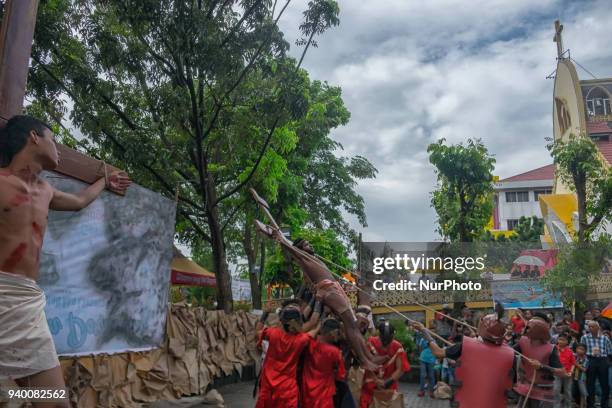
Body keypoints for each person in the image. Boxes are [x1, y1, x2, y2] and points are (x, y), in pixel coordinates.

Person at [0, 116, 131, 405]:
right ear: (34, 137)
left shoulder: (45, 191)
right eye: (53, 139)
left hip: (27, 300)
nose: (57, 148)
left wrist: (105, 180)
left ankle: (9, 393)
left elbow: (80, 201)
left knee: (55, 400)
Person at [412, 303, 517, 407]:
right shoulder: (509, 354)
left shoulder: (466, 346)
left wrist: (424, 331)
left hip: (467, 402)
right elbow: (512, 383)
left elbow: (438, 353)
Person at [255, 300, 321, 408]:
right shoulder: (301, 339)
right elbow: (313, 327)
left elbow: (257, 332)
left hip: (268, 389)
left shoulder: (273, 333)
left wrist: (265, 313)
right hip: (287, 392)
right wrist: (320, 309)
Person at [514, 316, 565, 408]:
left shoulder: (550, 349)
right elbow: (509, 352)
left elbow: (562, 372)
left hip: (543, 392)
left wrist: (541, 366)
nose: (524, 329)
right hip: (527, 389)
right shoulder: (523, 342)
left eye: (528, 328)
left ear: (537, 331)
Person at [360, 321, 410, 408]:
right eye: (384, 340)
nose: (386, 344)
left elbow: (400, 368)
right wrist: (376, 380)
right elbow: (365, 364)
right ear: (379, 335)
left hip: (389, 387)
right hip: (370, 387)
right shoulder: (370, 343)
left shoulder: (397, 347)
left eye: (388, 341)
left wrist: (387, 382)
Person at [301, 318, 347, 408]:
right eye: (338, 333)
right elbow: (341, 376)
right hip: (324, 395)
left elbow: (303, 338)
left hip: (306, 392)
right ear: (332, 332)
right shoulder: (335, 352)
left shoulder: (309, 344)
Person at [580, 320, 611, 408]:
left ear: (598, 327)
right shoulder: (584, 337)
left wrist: (607, 362)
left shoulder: (605, 338)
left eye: (592, 326)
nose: (590, 328)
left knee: (604, 383)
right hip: (590, 360)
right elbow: (581, 350)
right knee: (590, 383)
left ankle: (604, 404)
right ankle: (590, 404)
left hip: (603, 360)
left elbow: (609, 351)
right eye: (589, 326)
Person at [554, 333, 575, 408]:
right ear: (557, 340)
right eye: (560, 339)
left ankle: (568, 406)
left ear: (567, 341)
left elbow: (573, 363)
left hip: (567, 373)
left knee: (567, 391)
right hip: (557, 373)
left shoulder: (570, 351)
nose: (561, 341)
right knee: (556, 390)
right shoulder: (554, 349)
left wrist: (571, 371)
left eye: (563, 340)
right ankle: (556, 406)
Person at [416, 328, 437, 398]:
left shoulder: (434, 341)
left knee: (431, 376)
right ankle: (422, 391)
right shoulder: (422, 340)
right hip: (423, 359)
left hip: (431, 360)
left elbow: (436, 350)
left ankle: (432, 391)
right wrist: (420, 355)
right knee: (423, 375)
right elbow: (420, 348)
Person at [573, 343, 589, 408]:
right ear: (576, 349)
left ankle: (583, 405)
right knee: (575, 391)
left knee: (583, 393)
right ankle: (578, 404)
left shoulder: (586, 359)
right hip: (574, 377)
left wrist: (576, 364)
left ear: (585, 351)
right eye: (579, 349)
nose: (580, 350)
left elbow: (584, 369)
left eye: (582, 349)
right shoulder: (574, 356)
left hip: (581, 378)